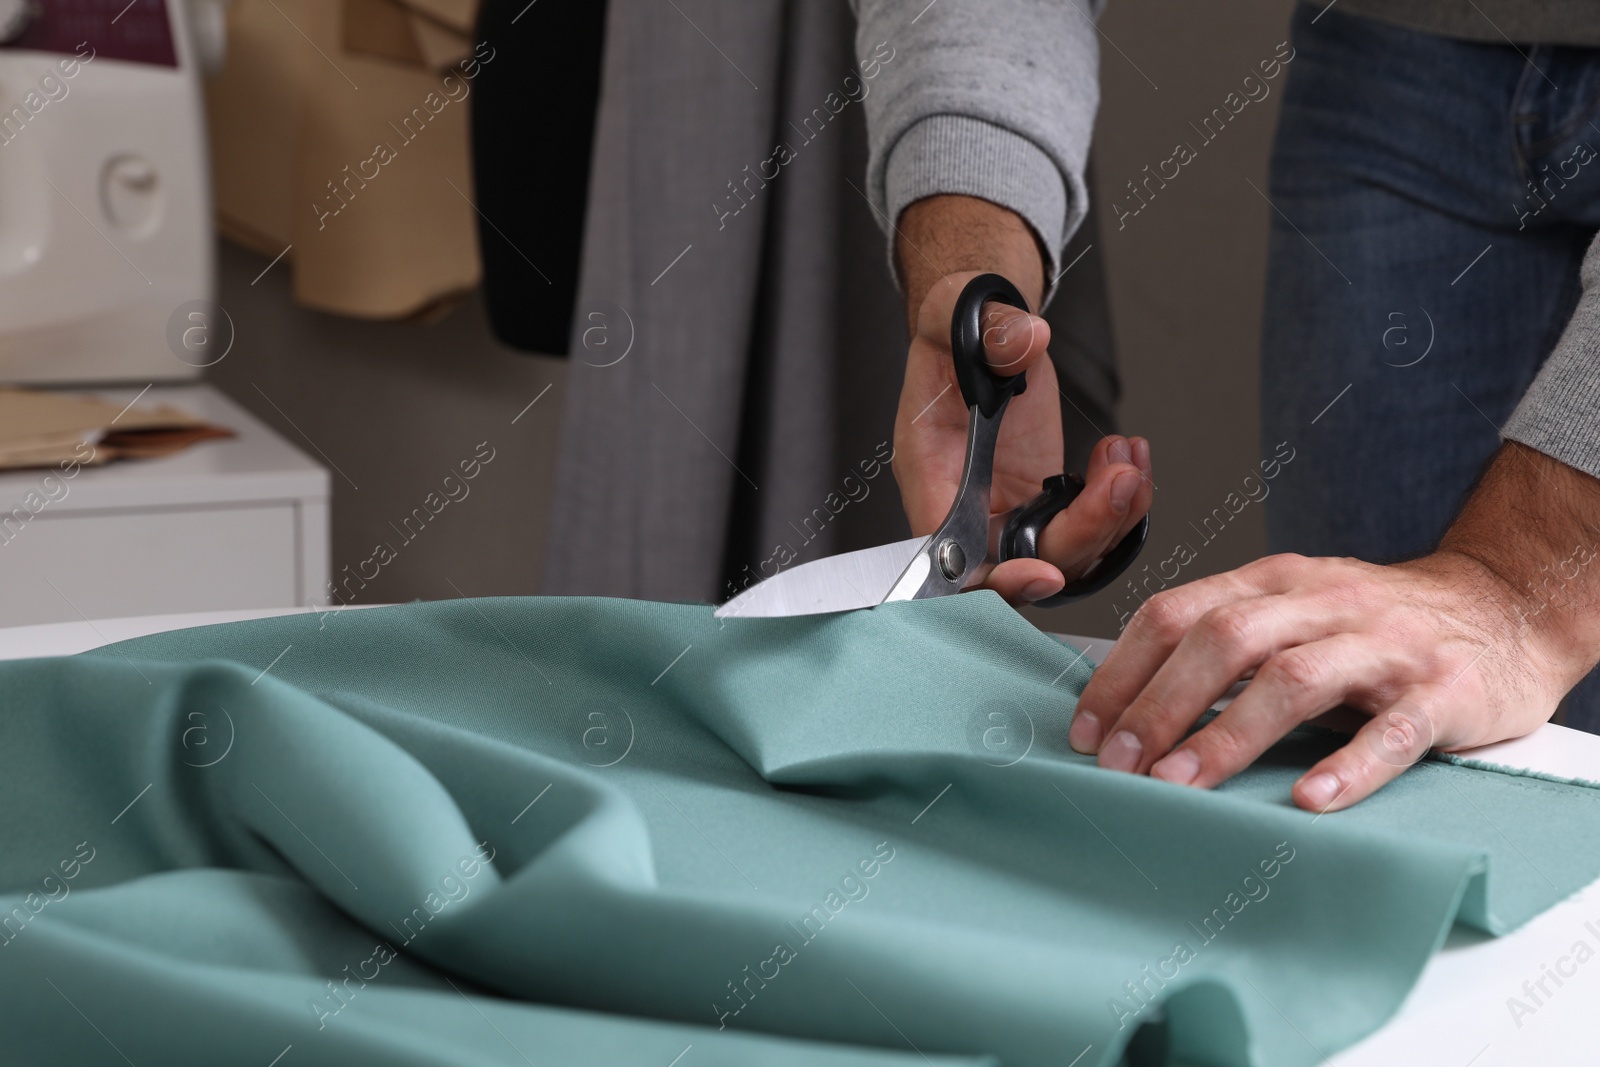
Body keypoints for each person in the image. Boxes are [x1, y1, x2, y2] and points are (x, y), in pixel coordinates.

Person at [853, 0, 1600, 811]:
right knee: (1365, 752)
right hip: (1401, 48)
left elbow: (1524, 596)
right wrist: (973, 260)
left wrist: (1517, 584)